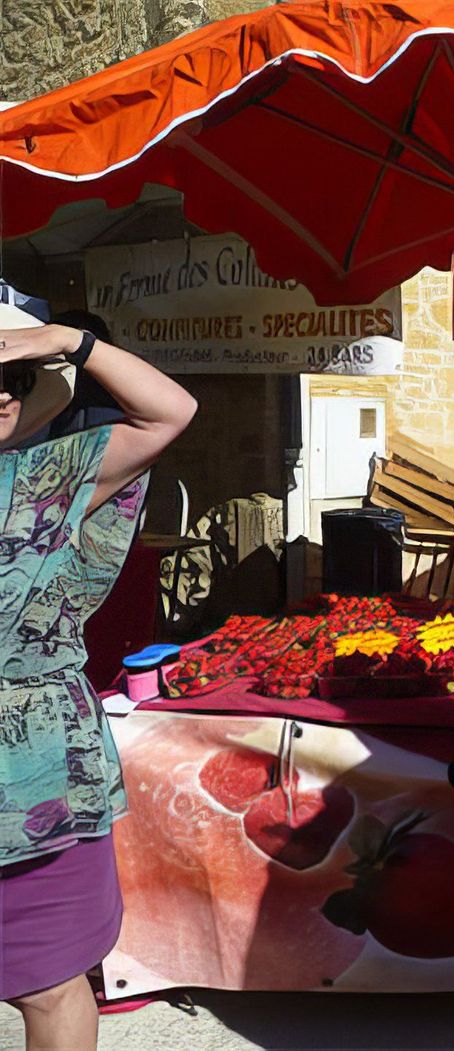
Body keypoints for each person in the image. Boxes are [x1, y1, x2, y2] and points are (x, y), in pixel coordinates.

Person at [0, 292, 197, 1051]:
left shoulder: (54, 475)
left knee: (51, 983)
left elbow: (170, 410)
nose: (0, 395)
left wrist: (62, 341)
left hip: (41, 769)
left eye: (13, 381)